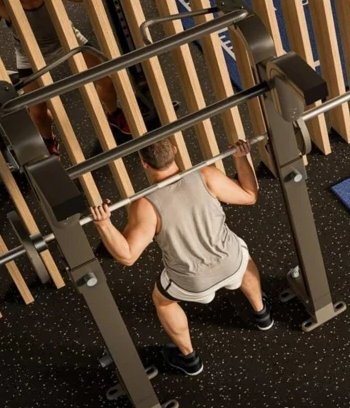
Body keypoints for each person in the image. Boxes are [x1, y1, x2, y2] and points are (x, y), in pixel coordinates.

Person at [88, 136, 273, 376]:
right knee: (243, 257)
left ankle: (190, 360)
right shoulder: (205, 174)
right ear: (174, 150)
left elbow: (127, 256)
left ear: (144, 164)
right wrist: (241, 158)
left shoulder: (145, 204)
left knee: (163, 299)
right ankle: (262, 314)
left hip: (193, 283)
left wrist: (103, 224)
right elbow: (250, 195)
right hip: (231, 264)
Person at [0, 0, 129, 156]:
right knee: (37, 111)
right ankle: (48, 140)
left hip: (68, 40)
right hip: (30, 54)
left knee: (106, 80)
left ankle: (113, 113)